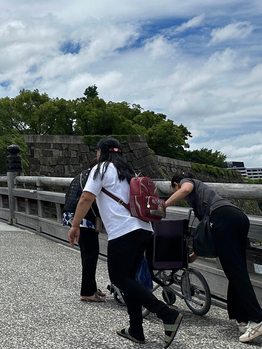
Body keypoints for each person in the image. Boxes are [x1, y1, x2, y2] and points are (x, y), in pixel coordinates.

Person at [68, 137, 182, 347]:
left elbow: (86, 198)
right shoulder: (128, 172)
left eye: (97, 152)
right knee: (129, 279)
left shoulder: (101, 169)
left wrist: (75, 225)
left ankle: (167, 314)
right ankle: (136, 330)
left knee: (120, 279)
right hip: (144, 229)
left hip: (123, 231)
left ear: (101, 152)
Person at [166, 171, 262, 343]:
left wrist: (164, 205)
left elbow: (185, 189)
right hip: (238, 217)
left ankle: (258, 319)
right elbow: (206, 234)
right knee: (235, 270)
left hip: (223, 218)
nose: (178, 193)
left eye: (174, 190)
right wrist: (194, 256)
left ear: (175, 185)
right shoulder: (204, 197)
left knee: (235, 271)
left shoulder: (188, 181)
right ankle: (242, 318)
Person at [62, 159, 105, 302]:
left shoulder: (80, 176)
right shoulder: (93, 178)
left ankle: (91, 287)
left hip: (72, 215)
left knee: (87, 253)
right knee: (90, 255)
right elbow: (86, 199)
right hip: (84, 217)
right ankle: (87, 291)